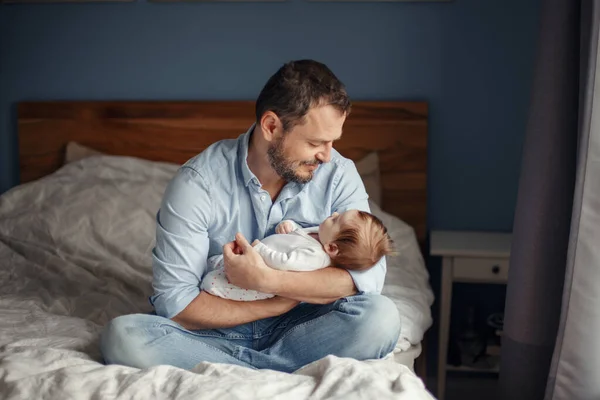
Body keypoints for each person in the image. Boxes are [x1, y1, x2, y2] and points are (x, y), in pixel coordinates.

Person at [100, 59, 401, 373]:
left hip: (304, 326)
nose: (326, 155)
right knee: (123, 338)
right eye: (315, 143)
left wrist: (267, 280)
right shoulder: (197, 183)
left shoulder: (338, 175)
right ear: (271, 126)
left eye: (332, 142)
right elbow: (177, 304)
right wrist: (273, 302)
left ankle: (227, 372)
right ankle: (276, 370)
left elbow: (366, 278)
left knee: (380, 318)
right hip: (215, 329)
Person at [202, 210, 395, 301]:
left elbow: (285, 262)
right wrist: (290, 226)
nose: (334, 213)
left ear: (332, 249)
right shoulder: (321, 235)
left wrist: (260, 250)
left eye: (336, 219)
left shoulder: (317, 256)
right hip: (253, 260)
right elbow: (297, 236)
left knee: (212, 281)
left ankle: (210, 290)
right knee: (214, 263)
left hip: (259, 282)